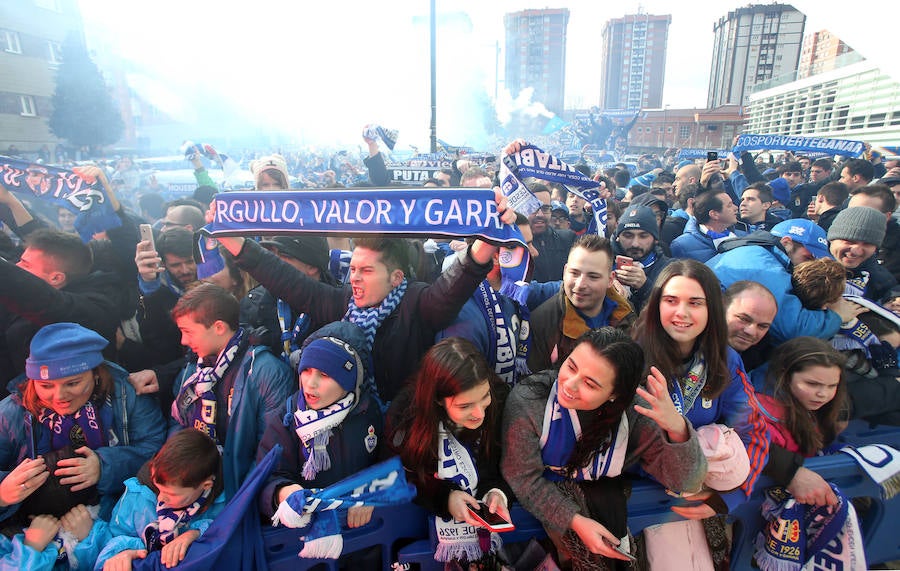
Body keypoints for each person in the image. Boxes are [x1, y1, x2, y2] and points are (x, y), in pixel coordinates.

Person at [214, 191, 517, 404]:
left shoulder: (418, 303)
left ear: (396, 278)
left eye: (367, 271)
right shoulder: (342, 302)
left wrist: (490, 235)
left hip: (403, 427)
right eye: (354, 269)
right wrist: (232, 240)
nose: (355, 277)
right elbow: (287, 280)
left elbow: (457, 281)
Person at [501, 327, 706, 568]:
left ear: (614, 395)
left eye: (590, 383)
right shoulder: (530, 400)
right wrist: (574, 521)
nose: (570, 385)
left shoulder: (634, 412)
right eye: (571, 366)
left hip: (608, 512)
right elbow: (522, 477)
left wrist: (677, 428)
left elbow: (687, 482)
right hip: (539, 521)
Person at [632, 260, 768, 515]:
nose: (681, 313)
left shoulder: (725, 361)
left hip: (697, 494)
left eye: (695, 303)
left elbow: (754, 432)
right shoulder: (630, 358)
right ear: (657, 305)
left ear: (712, 309)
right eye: (671, 300)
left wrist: (729, 496)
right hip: (637, 498)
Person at [0, 323, 164, 524]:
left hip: (116, 517)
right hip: (33, 527)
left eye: (72, 383)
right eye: (46, 385)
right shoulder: (10, 413)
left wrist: (104, 467)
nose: (59, 396)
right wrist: (3, 495)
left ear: (96, 374)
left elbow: (157, 450)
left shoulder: (127, 395)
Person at [387, 338, 513, 567]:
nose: (479, 414)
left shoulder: (500, 400)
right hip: (423, 529)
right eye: (465, 406)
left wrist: (498, 493)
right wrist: (444, 498)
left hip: (484, 535)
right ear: (437, 399)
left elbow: (504, 463)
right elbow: (400, 473)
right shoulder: (406, 416)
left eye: (484, 397)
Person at [169, 283, 294, 499]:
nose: (183, 341)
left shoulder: (266, 372)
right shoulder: (195, 369)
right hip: (194, 489)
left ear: (218, 327)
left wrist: (233, 505)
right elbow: (178, 425)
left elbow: (270, 454)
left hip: (238, 497)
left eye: (188, 332)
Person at [257, 322, 383, 525]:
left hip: (364, 537)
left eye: (324, 375)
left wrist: (372, 491)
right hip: (307, 539)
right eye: (306, 370)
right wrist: (282, 492)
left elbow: (387, 463)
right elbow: (266, 478)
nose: (310, 383)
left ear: (349, 382)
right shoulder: (287, 418)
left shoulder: (368, 411)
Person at [92, 429, 226, 571]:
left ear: (205, 486)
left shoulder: (225, 500)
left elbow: (229, 535)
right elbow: (113, 537)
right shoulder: (139, 495)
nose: (161, 497)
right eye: (158, 488)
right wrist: (125, 552)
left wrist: (197, 533)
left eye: (171, 494)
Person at [756, 337, 848, 507]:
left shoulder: (814, 410)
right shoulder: (759, 414)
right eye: (812, 384)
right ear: (785, 374)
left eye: (832, 386)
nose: (823, 394)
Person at [528, 234, 635, 373]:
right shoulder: (542, 322)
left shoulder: (627, 314)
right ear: (565, 271)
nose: (580, 285)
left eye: (593, 277)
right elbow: (531, 387)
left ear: (610, 279)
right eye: (574, 273)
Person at [828, 206, 896, 302]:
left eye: (867, 244)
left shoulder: (883, 283)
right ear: (831, 239)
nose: (857, 251)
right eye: (849, 241)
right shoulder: (804, 267)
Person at [612, 204, 673, 313]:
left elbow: (671, 311)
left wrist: (645, 287)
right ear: (617, 237)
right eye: (628, 235)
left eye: (643, 236)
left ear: (656, 239)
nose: (635, 244)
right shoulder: (605, 264)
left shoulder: (670, 269)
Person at [670, 189, 743, 262]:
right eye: (729, 205)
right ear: (714, 214)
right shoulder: (682, 245)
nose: (736, 208)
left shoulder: (742, 236)